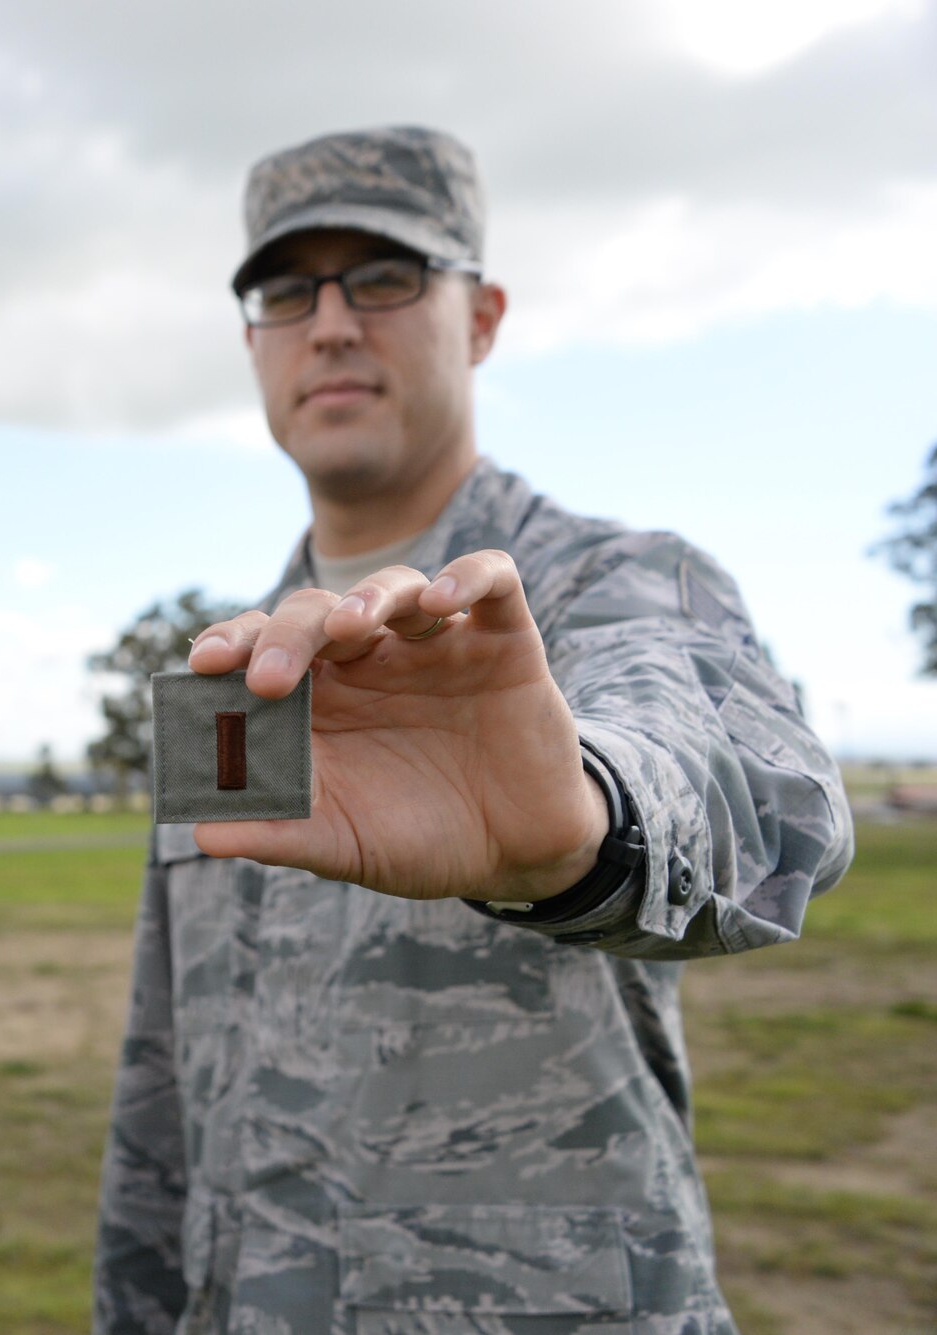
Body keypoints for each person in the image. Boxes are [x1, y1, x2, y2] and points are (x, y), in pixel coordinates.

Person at [94, 127, 852, 1333]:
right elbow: (165, 1087)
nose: (331, 324)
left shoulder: (604, 584)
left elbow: (747, 789)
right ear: (251, 342)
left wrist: (582, 825)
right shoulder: (237, 674)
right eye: (286, 291)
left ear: (483, 317)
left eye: (384, 277)